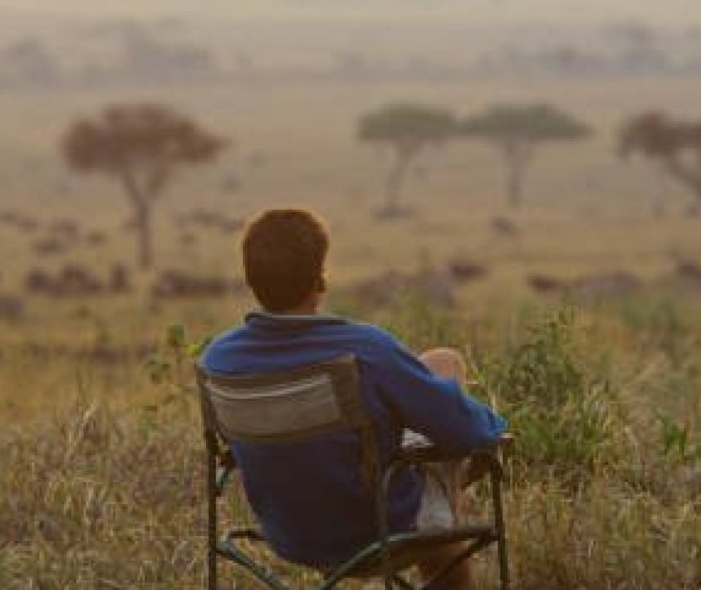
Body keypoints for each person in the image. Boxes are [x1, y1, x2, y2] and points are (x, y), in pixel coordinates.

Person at [201, 208, 506, 588]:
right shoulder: (366, 350)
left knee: (438, 362)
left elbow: (235, 450)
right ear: (320, 280)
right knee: (451, 374)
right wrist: (496, 428)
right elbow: (468, 433)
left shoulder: (218, 360)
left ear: (251, 281)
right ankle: (443, 558)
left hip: (290, 533)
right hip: (376, 530)